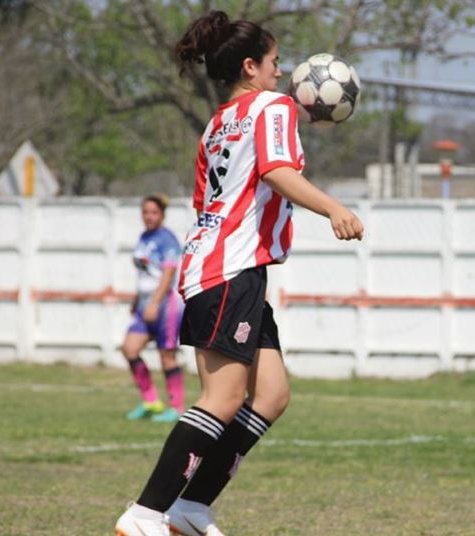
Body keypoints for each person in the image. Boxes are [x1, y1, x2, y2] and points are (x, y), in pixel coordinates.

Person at [115, 10, 364, 536]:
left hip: (224, 266)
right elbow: (277, 172)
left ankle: (192, 506)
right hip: (229, 269)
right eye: (274, 63)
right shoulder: (271, 106)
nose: (281, 73)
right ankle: (145, 513)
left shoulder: (218, 123)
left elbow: (208, 200)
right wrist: (333, 209)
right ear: (250, 67)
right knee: (223, 398)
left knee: (270, 394)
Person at [123, 194, 186, 423]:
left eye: (154, 212)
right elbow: (145, 274)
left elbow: (168, 275)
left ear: (162, 214)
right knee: (130, 349)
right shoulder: (144, 237)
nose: (149, 216)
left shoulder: (167, 239)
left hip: (165, 304)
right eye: (145, 212)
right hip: (144, 303)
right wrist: (136, 300)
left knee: (166, 356)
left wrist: (154, 303)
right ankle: (151, 401)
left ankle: (176, 407)